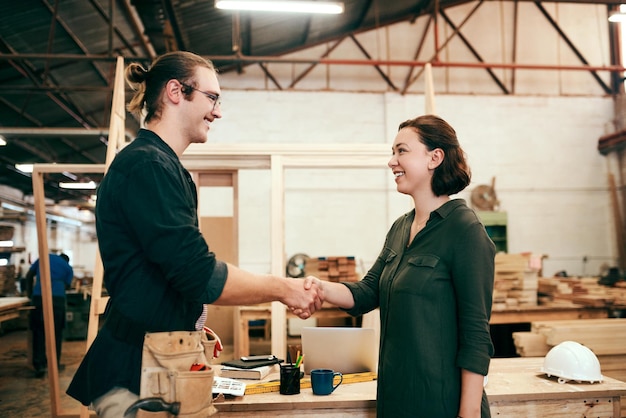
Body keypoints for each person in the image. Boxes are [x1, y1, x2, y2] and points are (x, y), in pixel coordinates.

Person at [67, 51, 323, 417]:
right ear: (175, 91)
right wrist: (283, 288)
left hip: (154, 359)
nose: (217, 112)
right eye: (212, 98)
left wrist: (189, 323)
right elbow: (197, 273)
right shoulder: (148, 167)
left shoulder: (161, 165)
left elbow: (167, 274)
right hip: (140, 374)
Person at [302, 115, 496, 418]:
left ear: (435, 157)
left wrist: (468, 414)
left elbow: (476, 334)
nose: (392, 161)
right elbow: (367, 293)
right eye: (393, 152)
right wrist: (319, 287)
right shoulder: (400, 228)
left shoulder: (464, 229)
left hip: (441, 404)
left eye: (401, 151)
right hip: (396, 398)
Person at [26, 253, 74, 378]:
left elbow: (29, 275)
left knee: (39, 332)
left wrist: (29, 294)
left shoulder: (43, 257)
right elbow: (68, 285)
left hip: (39, 297)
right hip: (57, 299)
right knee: (56, 333)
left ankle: (39, 366)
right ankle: (55, 365)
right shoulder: (68, 267)